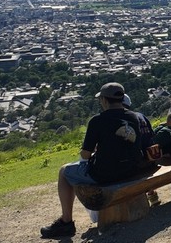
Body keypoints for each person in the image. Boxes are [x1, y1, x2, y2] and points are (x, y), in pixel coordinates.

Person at [40, 83, 155, 238]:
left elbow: (85, 155)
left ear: (104, 100)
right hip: (131, 170)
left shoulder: (97, 121)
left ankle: (66, 222)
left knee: (64, 171)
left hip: (106, 174)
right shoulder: (134, 117)